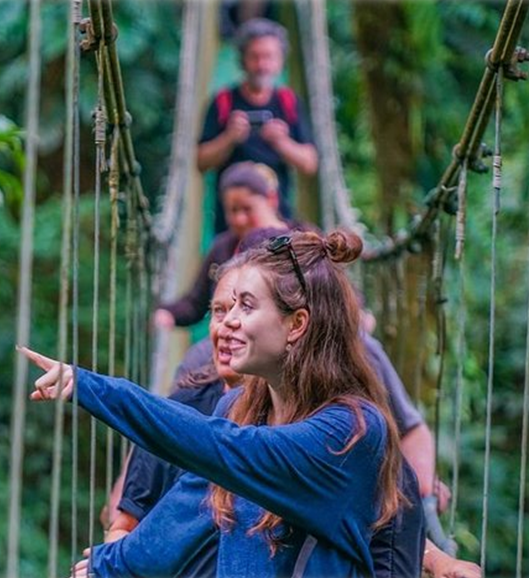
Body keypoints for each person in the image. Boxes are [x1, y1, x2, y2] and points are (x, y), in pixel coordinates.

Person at [23, 229, 415, 577]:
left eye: (247, 306)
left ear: (296, 324)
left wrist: (92, 388)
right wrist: (109, 564)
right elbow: (184, 514)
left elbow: (224, 447)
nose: (228, 321)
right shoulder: (239, 408)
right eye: (225, 307)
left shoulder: (351, 431)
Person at [197, 18, 318, 232]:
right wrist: (229, 138)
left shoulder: (289, 102)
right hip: (231, 227)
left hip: (278, 222)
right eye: (255, 57)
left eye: (269, 57)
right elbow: (201, 161)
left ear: (280, 61)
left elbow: (309, 163)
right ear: (243, 60)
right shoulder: (223, 102)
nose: (262, 65)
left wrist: (282, 142)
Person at [154, 161, 302, 329]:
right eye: (233, 210)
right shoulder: (223, 247)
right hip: (230, 335)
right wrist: (167, 314)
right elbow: (195, 303)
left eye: (247, 208)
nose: (240, 219)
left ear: (271, 199)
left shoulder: (300, 240)